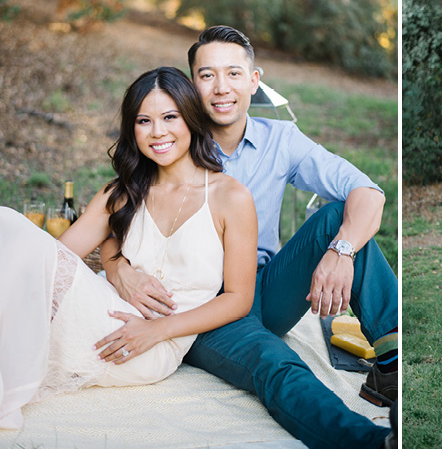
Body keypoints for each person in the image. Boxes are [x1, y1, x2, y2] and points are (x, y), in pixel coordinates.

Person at [101, 26, 398, 449]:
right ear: (191, 84)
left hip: (263, 289)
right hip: (198, 303)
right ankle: (370, 443)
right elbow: (115, 214)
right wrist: (117, 268)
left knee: (340, 217)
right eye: (207, 76)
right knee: (277, 364)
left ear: (254, 81)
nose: (221, 88)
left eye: (233, 74)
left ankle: (391, 364)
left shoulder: (281, 140)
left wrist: (342, 250)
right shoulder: (168, 138)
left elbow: (368, 192)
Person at [0, 67, 257, 429]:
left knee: (7, 223)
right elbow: (54, 255)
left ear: (192, 119)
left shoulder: (231, 197)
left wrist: (158, 330)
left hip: (148, 344)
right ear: (131, 129)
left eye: (170, 117)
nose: (158, 132)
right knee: (8, 231)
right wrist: (118, 267)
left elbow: (238, 298)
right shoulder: (121, 193)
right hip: (98, 307)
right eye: (143, 121)